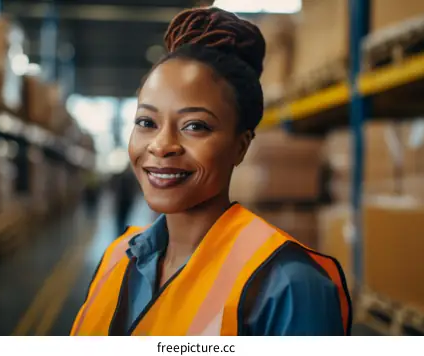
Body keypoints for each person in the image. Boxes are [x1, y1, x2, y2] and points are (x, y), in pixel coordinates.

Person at [71, 7, 352, 336]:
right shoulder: (116, 258)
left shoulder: (289, 285)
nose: (161, 146)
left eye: (195, 126)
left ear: (241, 146)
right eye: (146, 122)